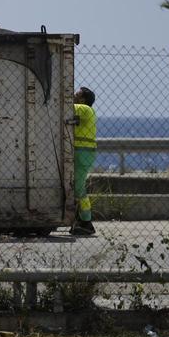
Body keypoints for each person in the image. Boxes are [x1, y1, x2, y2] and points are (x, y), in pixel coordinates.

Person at [70, 87, 97, 236]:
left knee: (78, 188)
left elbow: (65, 105)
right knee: (76, 186)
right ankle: (79, 220)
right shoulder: (86, 110)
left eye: (76, 94)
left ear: (83, 99)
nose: (73, 95)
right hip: (83, 152)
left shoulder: (84, 109)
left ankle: (86, 222)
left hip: (83, 152)